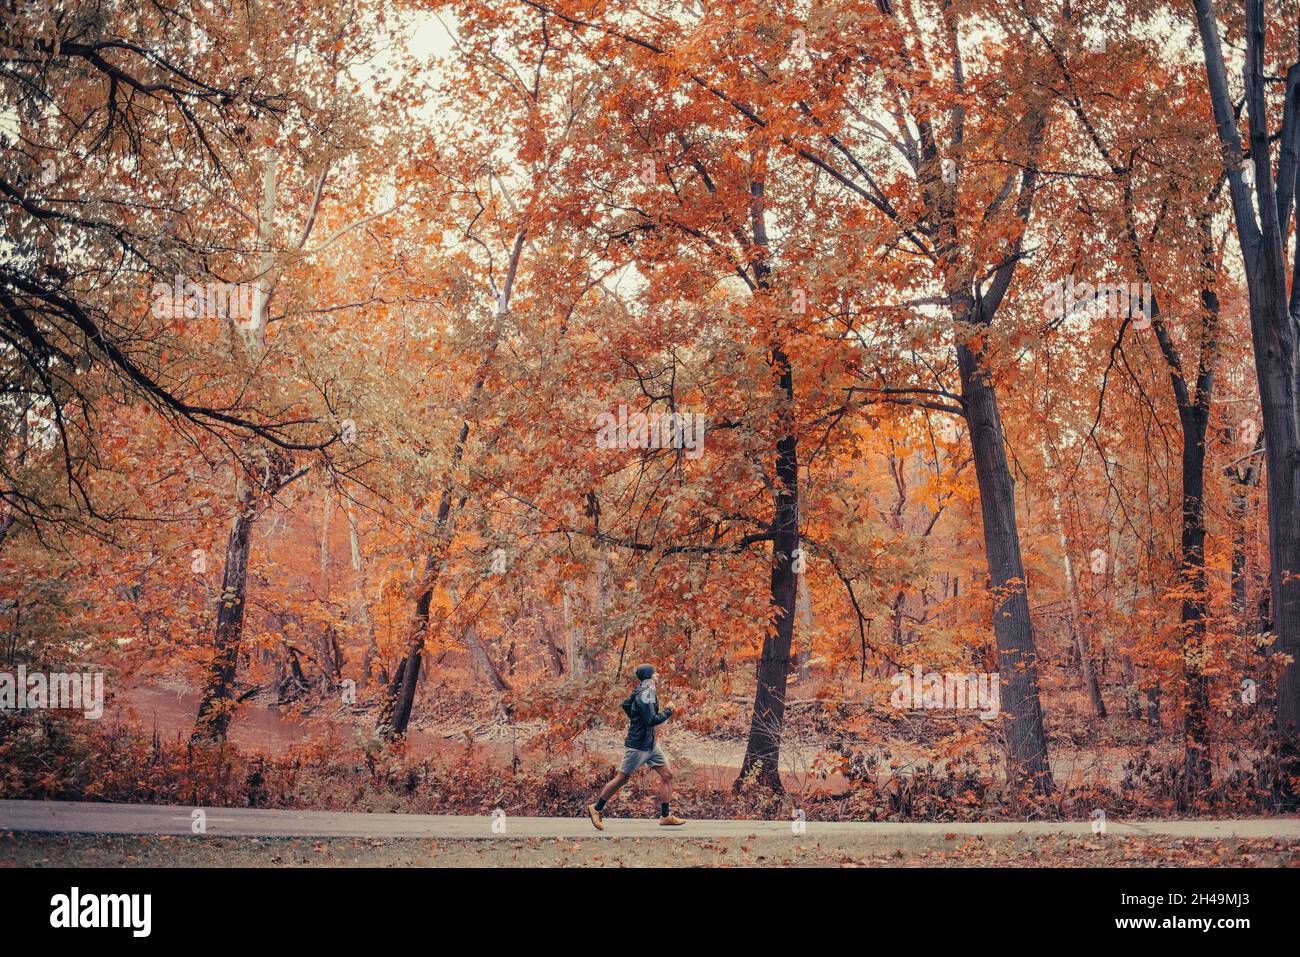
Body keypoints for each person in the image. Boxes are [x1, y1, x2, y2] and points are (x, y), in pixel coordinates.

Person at [588, 663, 685, 828]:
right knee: (621, 779)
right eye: (655, 673)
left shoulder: (642, 690)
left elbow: (626, 705)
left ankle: (665, 815)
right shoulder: (646, 693)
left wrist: (636, 718)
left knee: (667, 774)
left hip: (650, 744)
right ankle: (596, 808)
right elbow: (651, 720)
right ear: (648, 676)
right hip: (637, 746)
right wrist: (668, 711)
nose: (658, 675)